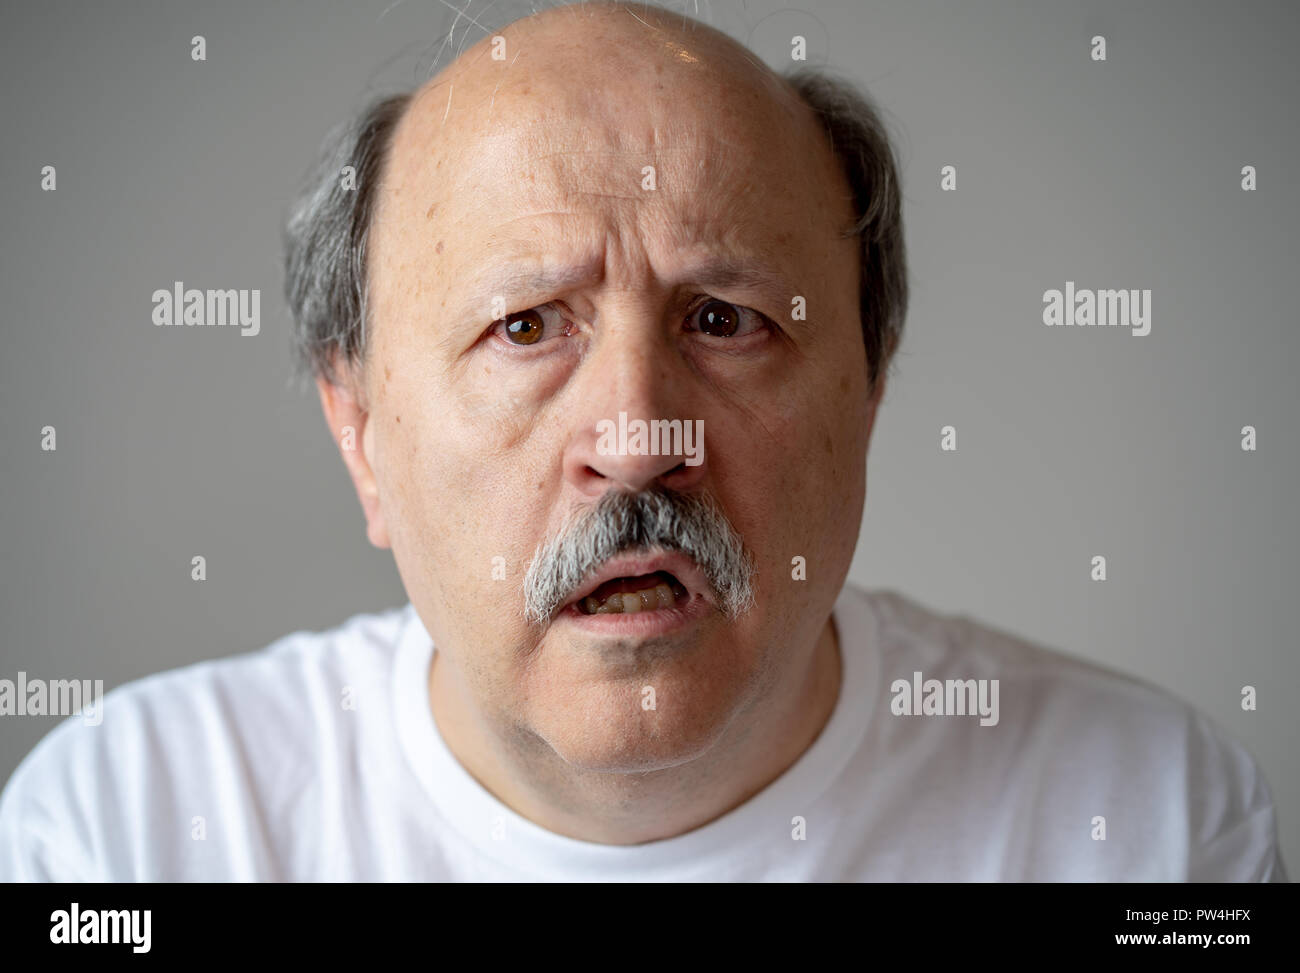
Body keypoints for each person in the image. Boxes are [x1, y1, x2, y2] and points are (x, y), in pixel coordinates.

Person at [0, 0, 1285, 881]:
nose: (636, 436)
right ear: (363, 438)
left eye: (725, 320)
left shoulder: (1150, 825)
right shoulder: (127, 831)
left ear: (872, 391)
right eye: (522, 327)